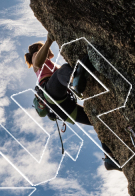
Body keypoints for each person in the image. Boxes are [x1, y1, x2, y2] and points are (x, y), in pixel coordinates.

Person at [25, 35, 121, 171]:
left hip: (64, 107)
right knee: (62, 71)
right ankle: (73, 82)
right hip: (51, 94)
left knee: (100, 121)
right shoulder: (37, 56)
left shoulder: (51, 64)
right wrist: (49, 41)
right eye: (44, 49)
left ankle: (109, 159)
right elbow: (37, 64)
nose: (50, 51)